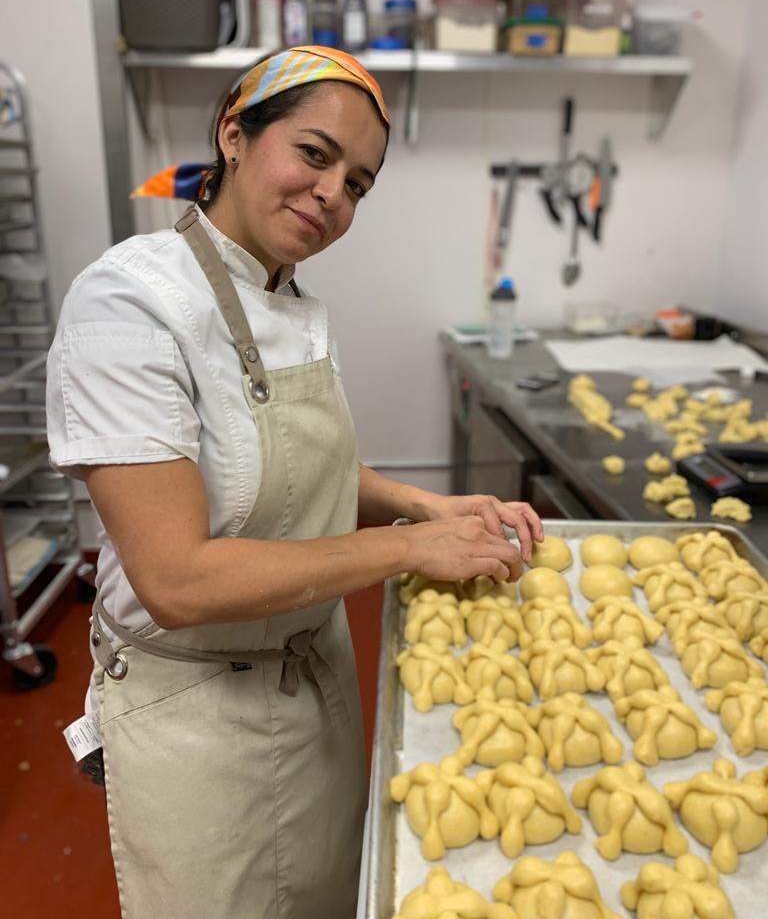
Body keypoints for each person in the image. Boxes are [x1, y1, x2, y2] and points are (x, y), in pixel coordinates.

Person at [46, 46, 543, 919]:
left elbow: (296, 474)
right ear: (235, 135)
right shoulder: (128, 304)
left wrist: (424, 504)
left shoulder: (295, 304)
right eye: (314, 155)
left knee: (327, 894)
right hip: (202, 713)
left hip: (313, 682)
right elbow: (177, 579)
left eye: (357, 184)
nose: (332, 195)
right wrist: (411, 548)